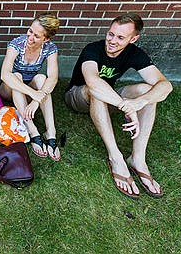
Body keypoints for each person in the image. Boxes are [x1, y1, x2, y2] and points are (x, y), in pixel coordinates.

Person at [64, 13, 172, 198]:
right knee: (96, 89)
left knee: (146, 90)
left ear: (133, 38)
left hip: (111, 98)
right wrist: (125, 106)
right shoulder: (93, 49)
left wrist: (139, 102)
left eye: (120, 37)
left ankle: (138, 159)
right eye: (110, 34)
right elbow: (92, 81)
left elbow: (165, 85)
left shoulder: (135, 53)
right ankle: (115, 157)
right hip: (78, 95)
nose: (112, 40)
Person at [0, 14, 61, 161]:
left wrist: (36, 100)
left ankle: (50, 133)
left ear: (46, 39)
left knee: (41, 78)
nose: (30, 37)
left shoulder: (50, 48)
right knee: (17, 76)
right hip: (9, 88)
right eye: (30, 31)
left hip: (30, 91)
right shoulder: (17, 44)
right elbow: (5, 74)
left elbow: (53, 77)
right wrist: (34, 94)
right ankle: (33, 131)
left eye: (37, 36)